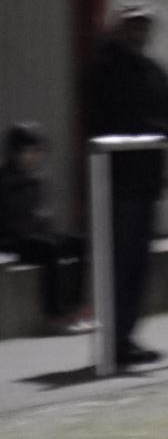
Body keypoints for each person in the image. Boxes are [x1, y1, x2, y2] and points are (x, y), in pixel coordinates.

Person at [84, 2, 168, 367]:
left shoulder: (153, 69)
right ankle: (114, 341)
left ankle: (127, 336)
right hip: (118, 183)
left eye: (144, 26)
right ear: (120, 28)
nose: (140, 32)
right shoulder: (105, 69)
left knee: (137, 266)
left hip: (147, 181)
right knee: (119, 264)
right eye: (134, 25)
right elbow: (122, 118)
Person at [0, 123, 93, 335]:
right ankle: (54, 315)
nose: (33, 157)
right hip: (11, 240)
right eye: (28, 152)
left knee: (80, 243)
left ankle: (76, 306)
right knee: (51, 250)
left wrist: (44, 222)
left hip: (34, 235)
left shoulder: (34, 178)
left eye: (37, 152)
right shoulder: (5, 179)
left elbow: (39, 214)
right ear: (15, 152)